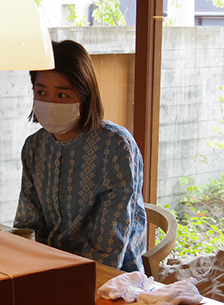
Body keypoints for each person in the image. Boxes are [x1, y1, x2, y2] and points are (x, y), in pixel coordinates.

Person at [14, 40, 147, 271]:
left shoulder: (116, 147)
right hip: (46, 269)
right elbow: (28, 225)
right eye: (41, 92)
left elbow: (110, 245)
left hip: (110, 278)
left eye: (63, 95)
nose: (49, 103)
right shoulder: (35, 146)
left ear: (85, 96)